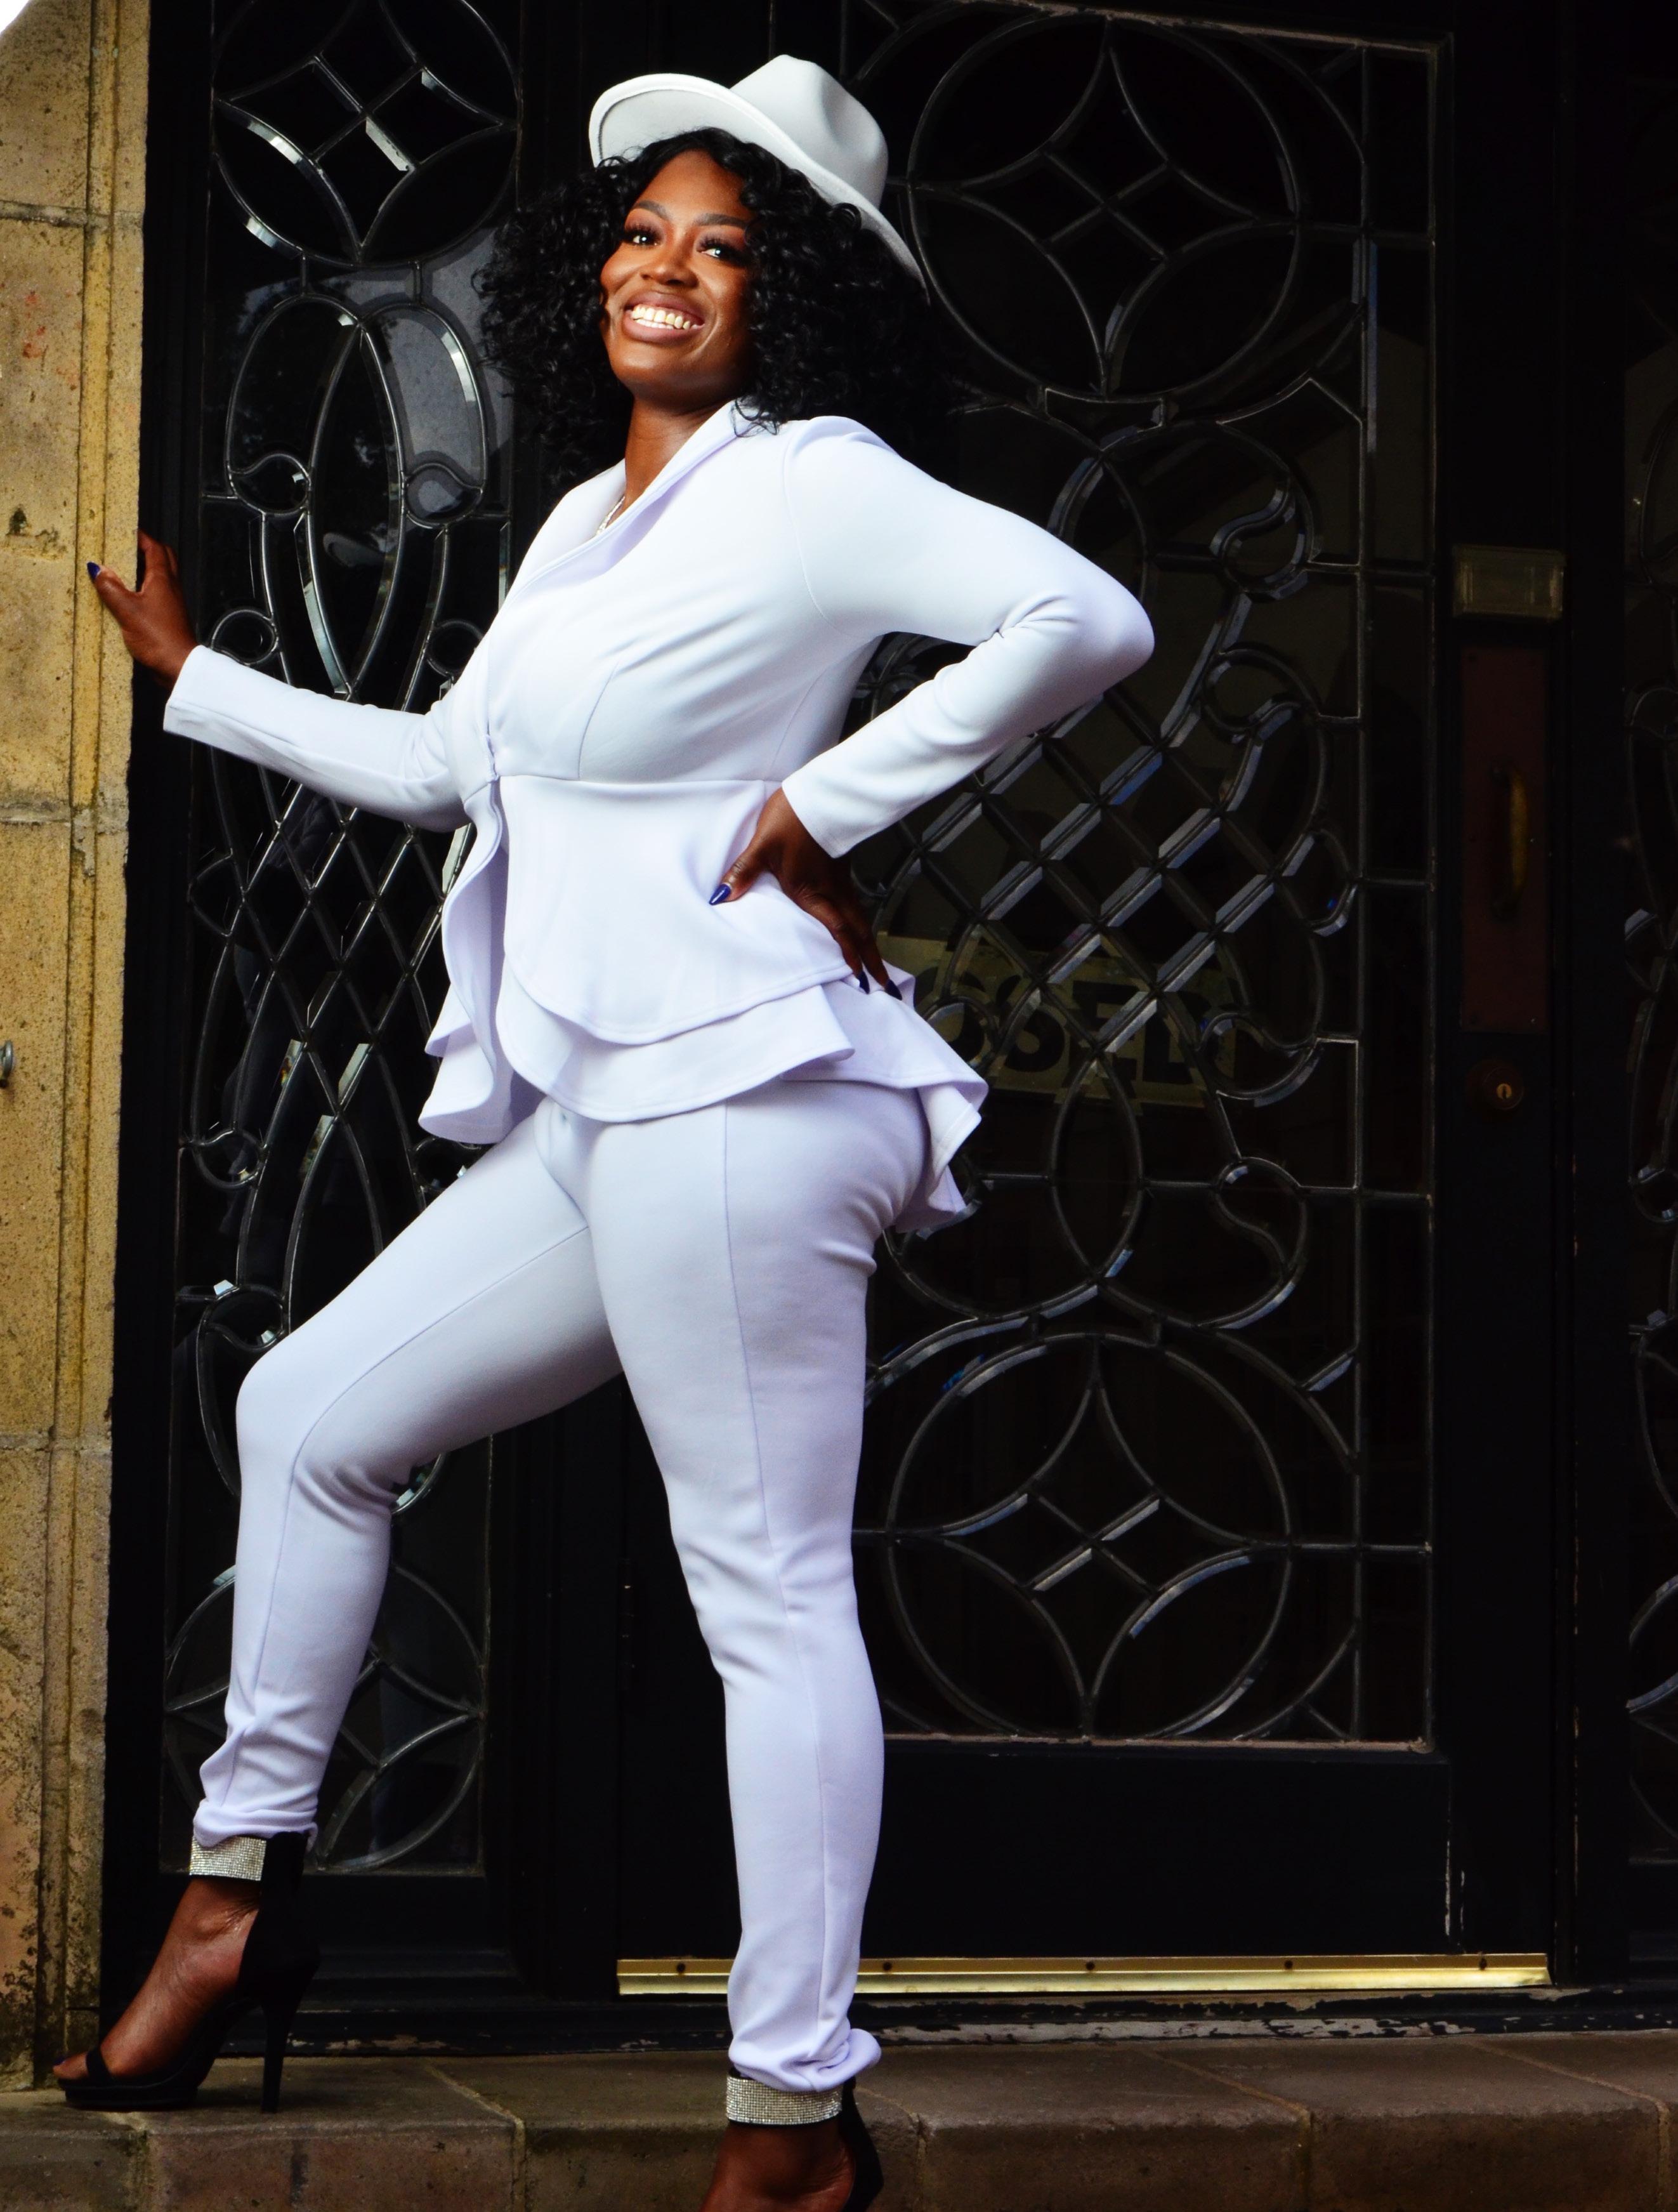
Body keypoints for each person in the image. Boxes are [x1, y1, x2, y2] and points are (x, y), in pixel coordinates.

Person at [61, 56, 1153, 2212]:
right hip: (607, 1099)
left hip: (745, 1089)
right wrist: (200, 680)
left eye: (724, 247)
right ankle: (235, 1901)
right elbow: (456, 764)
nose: (668, 271)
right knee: (307, 1415)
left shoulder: (818, 480)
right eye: (644, 234)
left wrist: (821, 803)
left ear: (791, 292)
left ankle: (791, 2116)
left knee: (767, 1596)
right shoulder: (584, 524)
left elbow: (1089, 620)